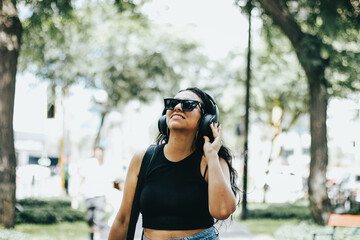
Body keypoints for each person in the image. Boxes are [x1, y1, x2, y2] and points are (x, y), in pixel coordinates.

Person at [109, 87, 240, 240]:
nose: (177, 107)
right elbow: (123, 219)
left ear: (206, 119)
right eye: (172, 104)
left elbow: (223, 211)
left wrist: (211, 156)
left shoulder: (213, 161)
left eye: (188, 104)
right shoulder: (144, 158)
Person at [79, 146, 111, 240]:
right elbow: (82, 177)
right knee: (88, 218)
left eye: (101, 154)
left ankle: (97, 236)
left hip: (100, 196)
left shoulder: (105, 165)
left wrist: (108, 197)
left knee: (98, 219)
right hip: (89, 195)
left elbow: (108, 181)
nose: (99, 155)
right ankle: (92, 231)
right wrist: (78, 192)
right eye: (97, 153)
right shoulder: (89, 163)